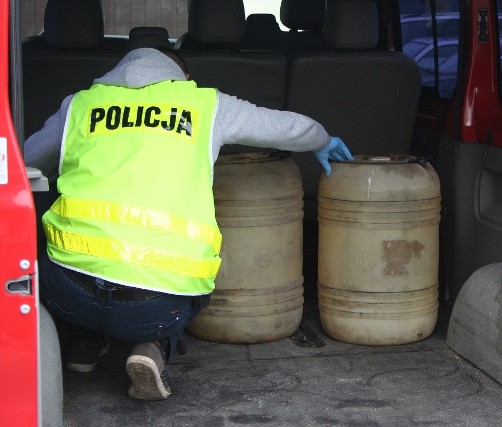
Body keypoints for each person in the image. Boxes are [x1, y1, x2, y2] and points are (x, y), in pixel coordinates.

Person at [24, 47, 353, 401]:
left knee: (46, 225)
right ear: (182, 78)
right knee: (196, 274)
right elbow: (288, 128)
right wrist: (322, 138)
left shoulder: (80, 104)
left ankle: (81, 343)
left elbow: (25, 161)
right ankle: (152, 348)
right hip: (154, 308)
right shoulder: (204, 104)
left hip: (68, 293)